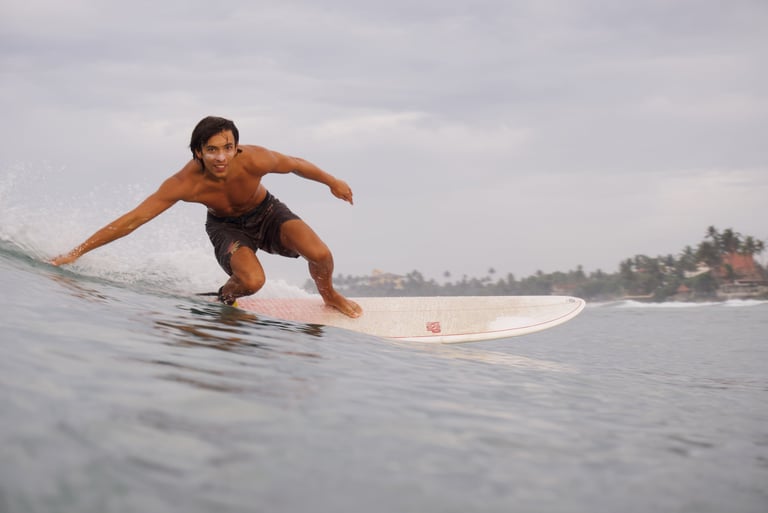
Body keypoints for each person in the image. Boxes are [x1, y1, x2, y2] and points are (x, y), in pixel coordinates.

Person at [50, 116, 362, 318]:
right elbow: (134, 220)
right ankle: (226, 295)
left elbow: (295, 164)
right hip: (226, 227)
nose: (222, 157)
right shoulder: (184, 183)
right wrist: (76, 252)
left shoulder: (254, 159)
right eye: (212, 150)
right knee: (252, 282)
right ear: (198, 151)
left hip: (268, 212)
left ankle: (330, 296)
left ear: (236, 147)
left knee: (321, 254)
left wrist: (332, 181)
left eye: (228, 148)